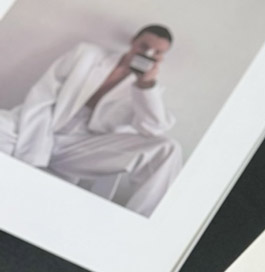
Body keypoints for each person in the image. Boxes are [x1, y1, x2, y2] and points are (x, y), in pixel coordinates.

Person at [0, 25, 182, 217]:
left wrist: (144, 85)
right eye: (144, 46)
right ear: (133, 41)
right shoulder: (86, 54)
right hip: (40, 125)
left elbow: (154, 129)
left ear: (162, 57)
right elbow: (42, 96)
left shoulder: (148, 89)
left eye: (157, 52)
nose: (147, 53)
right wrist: (35, 152)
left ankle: (140, 223)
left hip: (82, 146)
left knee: (169, 148)